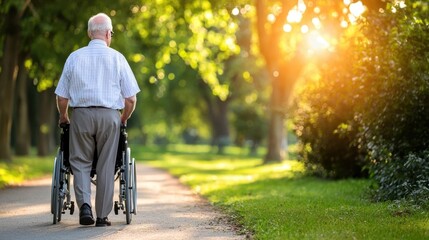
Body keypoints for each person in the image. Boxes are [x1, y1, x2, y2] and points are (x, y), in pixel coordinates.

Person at [55, 13, 140, 227]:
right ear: (109, 33)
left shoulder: (74, 57)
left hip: (81, 115)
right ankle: (102, 216)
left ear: (89, 33)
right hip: (109, 116)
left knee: (80, 163)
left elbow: (62, 97)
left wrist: (64, 116)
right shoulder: (117, 58)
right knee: (106, 164)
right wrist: (123, 118)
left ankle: (85, 206)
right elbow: (130, 99)